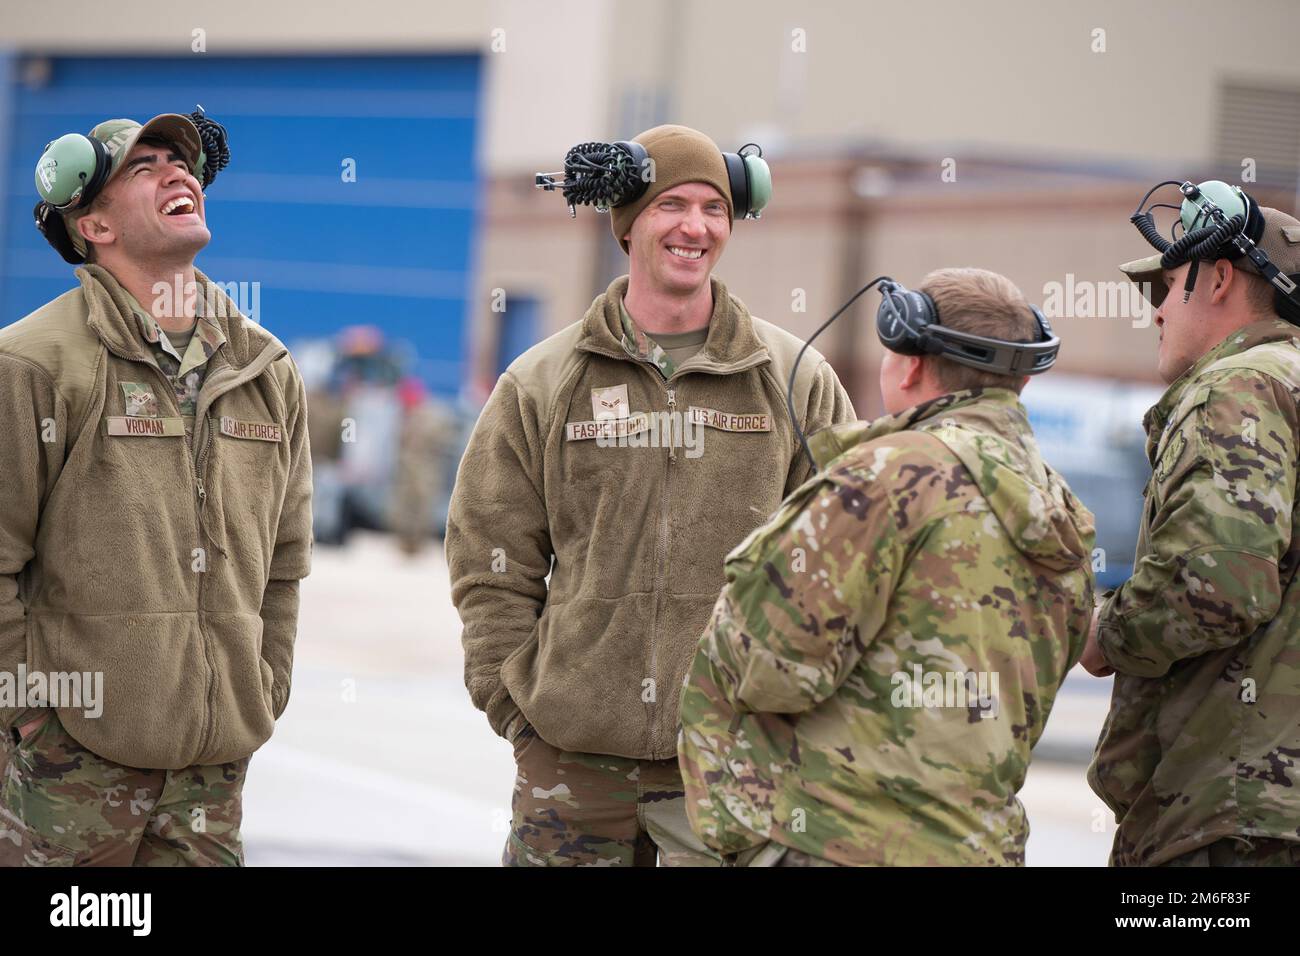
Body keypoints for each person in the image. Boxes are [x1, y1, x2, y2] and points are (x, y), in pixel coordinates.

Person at [446, 124, 855, 866]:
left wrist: (792, 716)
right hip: (570, 764)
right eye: (673, 205)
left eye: (715, 208)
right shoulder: (543, 382)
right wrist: (520, 707)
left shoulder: (794, 379)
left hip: (730, 761)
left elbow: (847, 561)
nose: (695, 227)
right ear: (629, 223)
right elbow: (488, 559)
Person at [679, 267, 1096, 866]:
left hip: (839, 842)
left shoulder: (886, 477)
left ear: (909, 361)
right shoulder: (1058, 506)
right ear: (1022, 379)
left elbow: (772, 669)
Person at [0, 113, 312, 866]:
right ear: (93, 222)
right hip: (71, 765)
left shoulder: (265, 370)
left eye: (181, 163)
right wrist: (35, 712)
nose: (178, 174)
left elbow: (285, 561)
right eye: (144, 167)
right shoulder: (34, 364)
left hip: (213, 768)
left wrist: (259, 688)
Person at [1082, 186, 1300, 866]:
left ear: (1221, 279)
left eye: (1169, 286)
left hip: (1230, 814)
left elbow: (1220, 586)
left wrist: (1105, 635)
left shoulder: (1235, 388)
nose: (1154, 314)